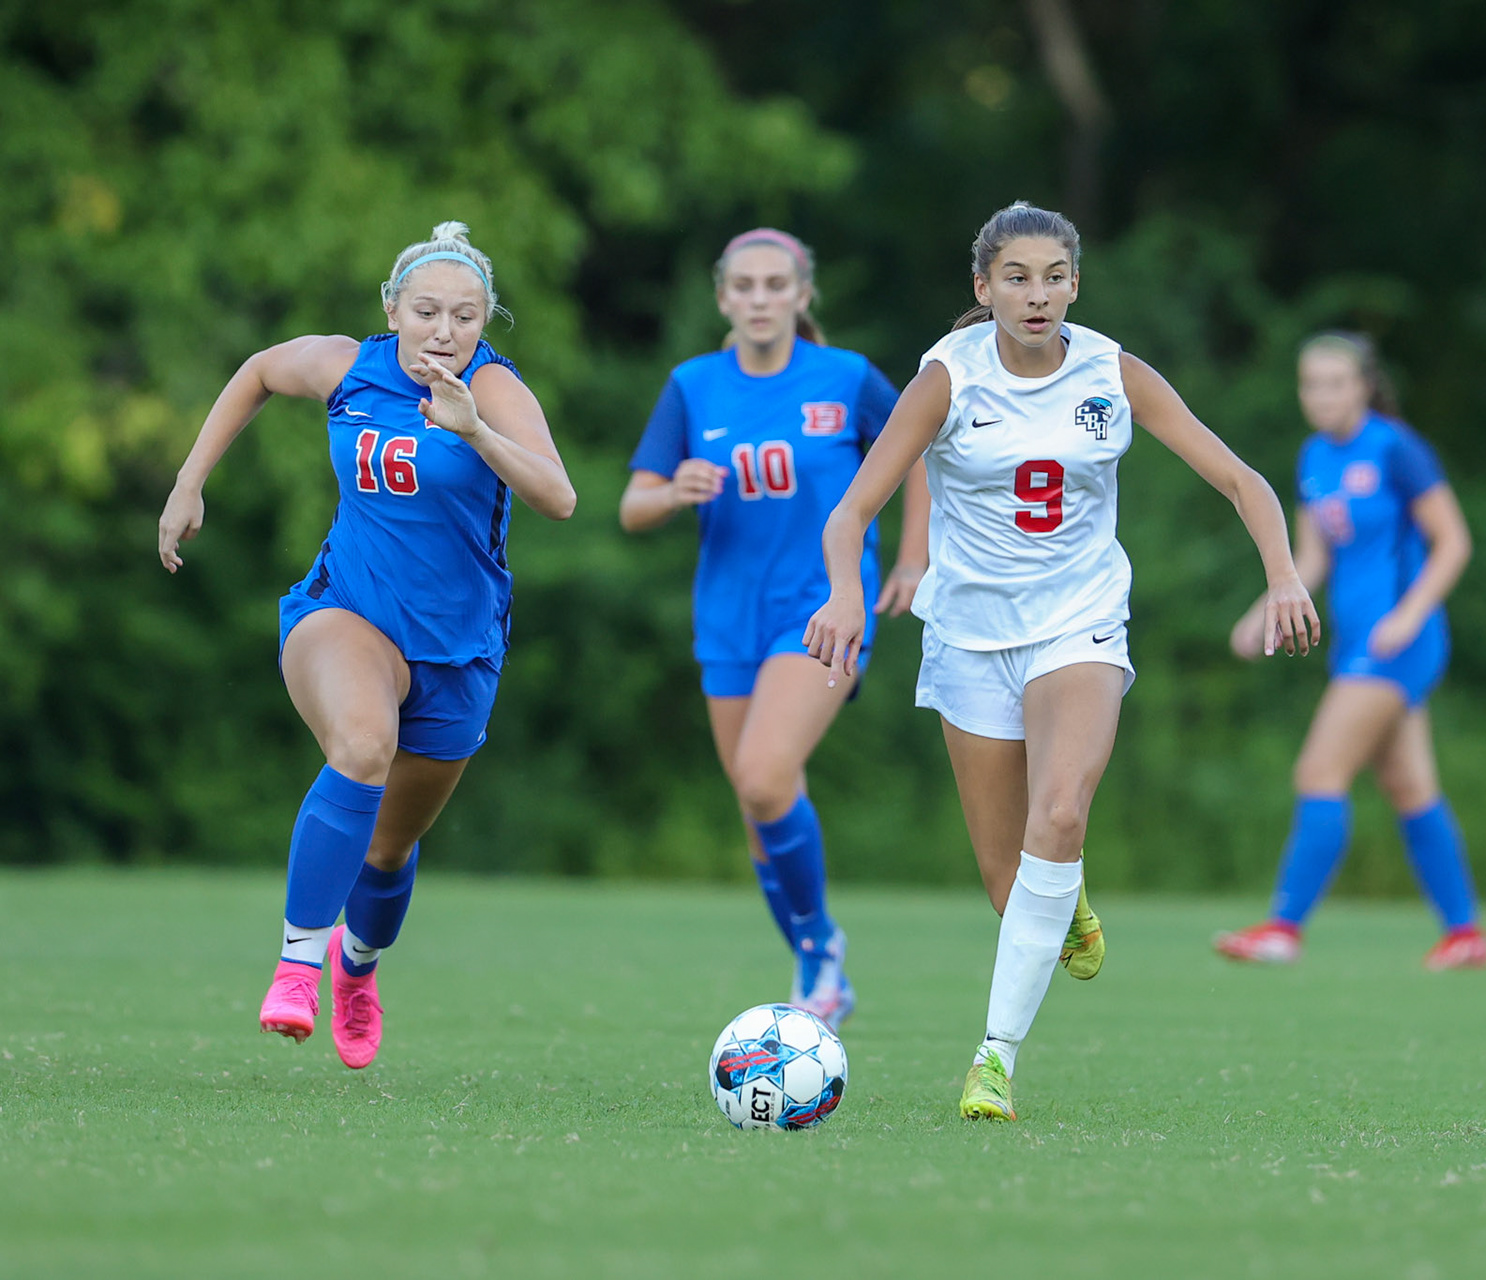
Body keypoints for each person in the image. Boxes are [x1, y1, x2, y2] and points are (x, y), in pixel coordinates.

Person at [805, 201, 1319, 1121]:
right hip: (967, 637)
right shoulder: (946, 377)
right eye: (1016, 278)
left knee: (1063, 807)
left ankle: (992, 1060)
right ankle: (1063, 894)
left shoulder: (1111, 371)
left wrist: (1282, 574)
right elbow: (851, 512)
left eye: (1053, 277)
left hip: (1078, 622)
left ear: (1075, 284)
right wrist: (847, 589)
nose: (1036, 295)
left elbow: (1241, 479)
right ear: (984, 288)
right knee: (1015, 890)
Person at [157, 221, 575, 1069]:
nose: (445, 331)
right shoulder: (350, 367)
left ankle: (356, 967)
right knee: (360, 745)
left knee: (387, 850)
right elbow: (258, 372)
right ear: (393, 308)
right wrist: (188, 481)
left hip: (457, 651)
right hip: (347, 610)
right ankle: (297, 966)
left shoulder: (493, 391)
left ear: (485, 322)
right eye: (427, 311)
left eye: (465, 316)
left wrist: (475, 432)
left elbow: (558, 497)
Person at [619, 228, 928, 1028]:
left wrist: (913, 559)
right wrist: (673, 489)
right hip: (727, 621)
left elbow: (917, 452)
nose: (760, 300)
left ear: (801, 295)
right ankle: (816, 960)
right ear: (723, 299)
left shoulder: (847, 378)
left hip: (822, 611)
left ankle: (822, 954)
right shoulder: (693, 386)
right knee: (760, 807)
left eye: (774, 286)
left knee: (762, 774)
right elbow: (633, 506)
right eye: (744, 287)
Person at [1213, 332, 1486, 971]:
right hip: (1358, 646)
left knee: (1318, 772)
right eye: (1311, 383)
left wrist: (1409, 615)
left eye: (1337, 382)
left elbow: (1454, 543)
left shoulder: (1396, 448)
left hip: (1399, 643)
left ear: (1365, 385)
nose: (1323, 395)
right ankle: (1465, 934)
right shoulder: (1313, 457)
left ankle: (1284, 927)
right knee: (1408, 785)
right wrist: (1264, 613)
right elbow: (1312, 558)